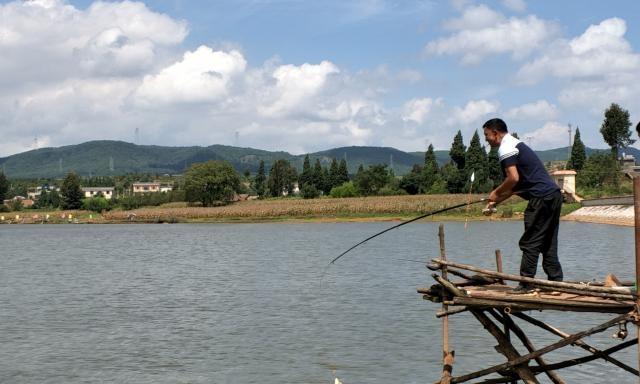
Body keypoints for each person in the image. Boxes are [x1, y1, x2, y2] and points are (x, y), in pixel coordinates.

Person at [482, 118, 563, 292]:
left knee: (530, 242)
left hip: (541, 198)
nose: (486, 139)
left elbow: (513, 178)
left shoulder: (505, 147)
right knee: (548, 241)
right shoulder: (515, 144)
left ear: (495, 133)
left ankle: (526, 283)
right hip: (553, 196)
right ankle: (555, 282)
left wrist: (495, 192)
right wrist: (494, 201)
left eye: (487, 135)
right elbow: (515, 188)